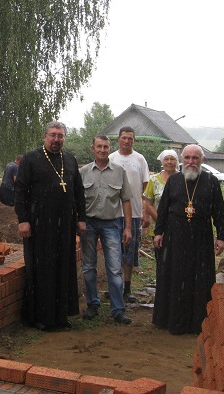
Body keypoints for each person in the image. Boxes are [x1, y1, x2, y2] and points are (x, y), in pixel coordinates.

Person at [15, 121, 86, 330]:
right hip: (39, 224)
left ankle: (60, 316)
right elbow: (20, 191)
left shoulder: (70, 159)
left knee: (63, 267)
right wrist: (23, 220)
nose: (56, 140)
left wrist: (81, 218)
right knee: (42, 268)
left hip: (65, 224)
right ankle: (41, 317)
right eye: (53, 135)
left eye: (60, 136)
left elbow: (78, 191)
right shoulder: (31, 158)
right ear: (45, 136)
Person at [152, 144, 224, 335]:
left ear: (202, 160)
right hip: (175, 234)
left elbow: (219, 211)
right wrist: (158, 232)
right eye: (187, 158)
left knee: (199, 278)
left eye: (195, 158)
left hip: (201, 234)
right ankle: (174, 321)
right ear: (182, 160)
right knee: (176, 277)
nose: (191, 162)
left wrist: (221, 236)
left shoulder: (211, 181)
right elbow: (163, 210)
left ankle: (197, 323)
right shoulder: (175, 180)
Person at [79, 135, 133, 324]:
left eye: (106, 147)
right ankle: (93, 304)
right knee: (88, 267)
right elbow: (77, 201)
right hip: (89, 224)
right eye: (99, 147)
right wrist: (78, 222)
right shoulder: (84, 172)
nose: (102, 150)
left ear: (110, 149)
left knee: (114, 267)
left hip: (112, 224)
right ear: (92, 148)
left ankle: (118, 309)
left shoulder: (119, 171)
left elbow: (126, 200)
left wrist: (127, 227)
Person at [109, 126, 149, 303]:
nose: (127, 141)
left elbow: (146, 186)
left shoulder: (139, 159)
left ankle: (127, 288)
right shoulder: (112, 158)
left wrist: (143, 210)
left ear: (134, 140)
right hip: (112, 212)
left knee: (129, 253)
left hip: (133, 213)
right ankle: (114, 288)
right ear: (118, 139)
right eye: (124, 138)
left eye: (130, 138)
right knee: (113, 252)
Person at [142, 149, 180, 242]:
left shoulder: (183, 179)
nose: (169, 162)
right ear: (162, 161)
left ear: (177, 161)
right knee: (161, 254)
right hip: (158, 226)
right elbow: (148, 203)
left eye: (172, 159)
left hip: (179, 225)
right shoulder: (154, 180)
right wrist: (161, 220)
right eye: (166, 159)